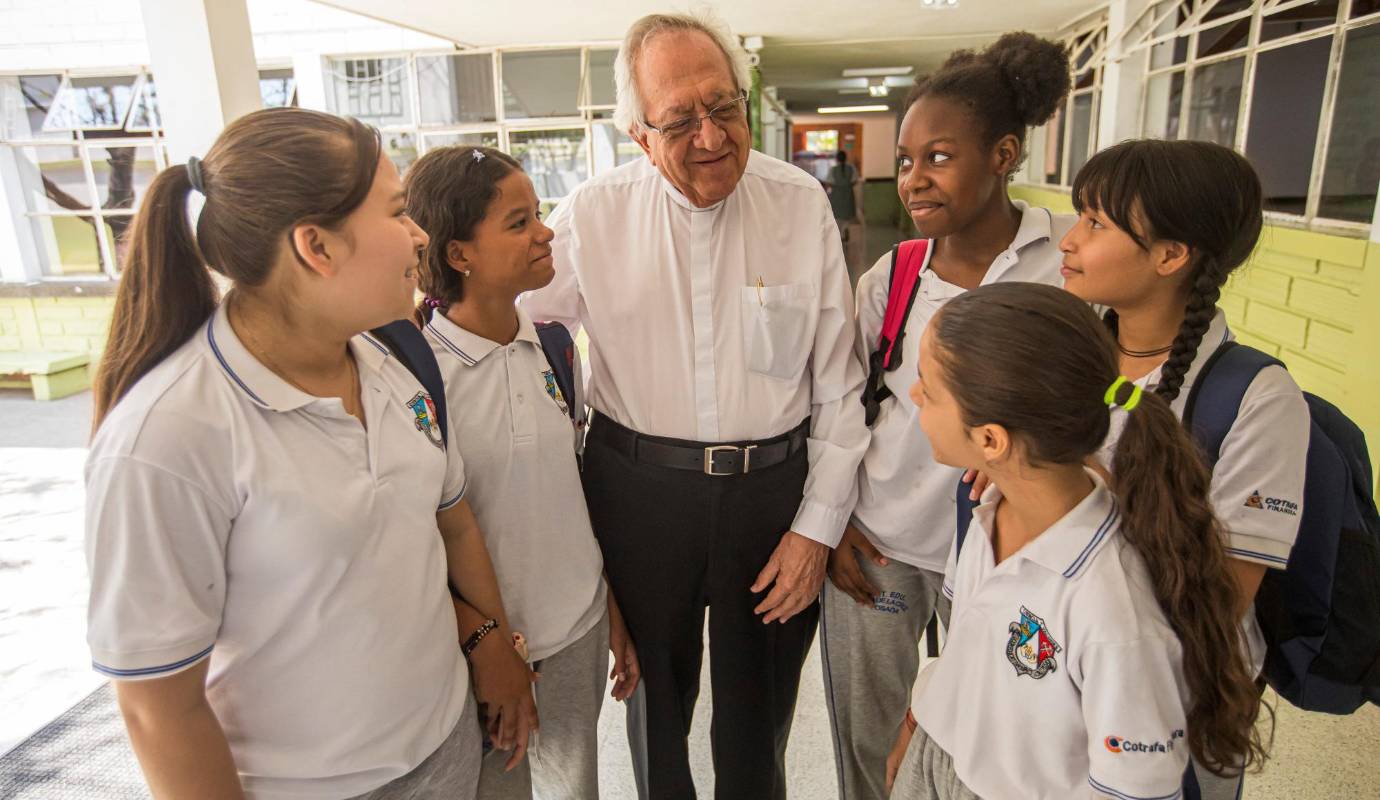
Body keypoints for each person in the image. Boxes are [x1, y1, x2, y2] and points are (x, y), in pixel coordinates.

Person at [84, 108, 534, 800]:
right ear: (316, 248)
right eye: (396, 213)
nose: (418, 236)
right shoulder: (166, 440)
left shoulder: (389, 357)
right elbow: (158, 708)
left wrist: (492, 644)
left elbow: (449, 518)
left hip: (445, 748)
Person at [521, 11, 868, 800]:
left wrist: (816, 530)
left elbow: (839, 386)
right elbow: (508, 321)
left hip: (773, 496)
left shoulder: (799, 203)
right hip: (639, 495)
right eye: (680, 120)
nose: (711, 136)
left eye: (725, 108)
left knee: (760, 727)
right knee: (654, 718)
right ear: (638, 134)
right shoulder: (593, 214)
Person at [887, 283, 1268, 799]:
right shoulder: (988, 512)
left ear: (991, 440)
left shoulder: (1113, 608)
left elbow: (1134, 789)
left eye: (927, 391)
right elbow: (969, 654)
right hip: (944, 756)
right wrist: (919, 723)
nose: (913, 396)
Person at [821, 32, 1072, 800]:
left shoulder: (1063, 263)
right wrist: (833, 521)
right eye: (904, 160)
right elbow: (839, 403)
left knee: (981, 743)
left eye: (938, 156)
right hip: (886, 545)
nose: (914, 180)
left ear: (1002, 155)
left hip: (1012, 554)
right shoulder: (891, 277)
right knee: (869, 743)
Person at [1064, 138, 1307, 798]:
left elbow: (1220, 601)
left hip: (1168, 709)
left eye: (1095, 223)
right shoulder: (1066, 356)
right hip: (1054, 685)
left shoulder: (1254, 398)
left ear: (1171, 255)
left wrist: (1085, 490)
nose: (1068, 238)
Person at [403, 144, 642, 799]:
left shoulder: (557, 347)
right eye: (519, 222)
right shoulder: (418, 377)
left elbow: (574, 494)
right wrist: (487, 645)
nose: (546, 232)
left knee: (575, 788)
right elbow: (416, 537)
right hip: (481, 651)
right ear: (459, 254)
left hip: (577, 630)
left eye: (539, 213)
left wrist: (614, 611)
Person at [824, 149, 861, 245]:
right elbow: (855, 180)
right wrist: (847, 185)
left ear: (837, 159)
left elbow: (829, 182)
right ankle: (845, 230)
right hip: (848, 194)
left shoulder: (833, 170)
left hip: (836, 195)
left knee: (837, 216)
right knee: (847, 215)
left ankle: (839, 234)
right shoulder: (851, 168)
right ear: (845, 158)